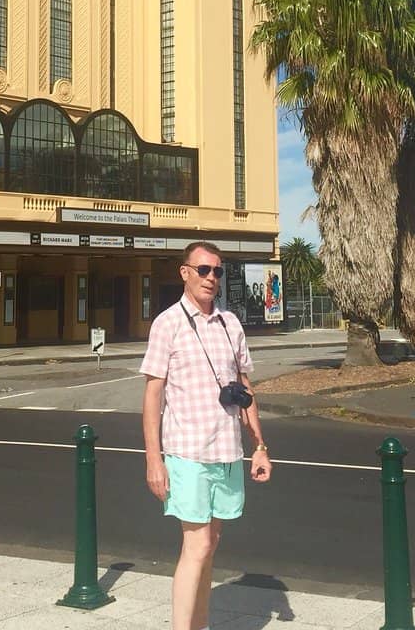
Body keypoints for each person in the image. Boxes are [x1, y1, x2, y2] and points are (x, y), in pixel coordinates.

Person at [141, 241, 272, 630]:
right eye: (203, 270)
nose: (211, 278)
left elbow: (245, 389)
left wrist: (260, 446)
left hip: (227, 451)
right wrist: (154, 459)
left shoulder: (231, 324)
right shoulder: (167, 324)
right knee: (196, 545)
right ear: (185, 273)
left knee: (210, 545)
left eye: (217, 271)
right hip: (186, 452)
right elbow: (153, 395)